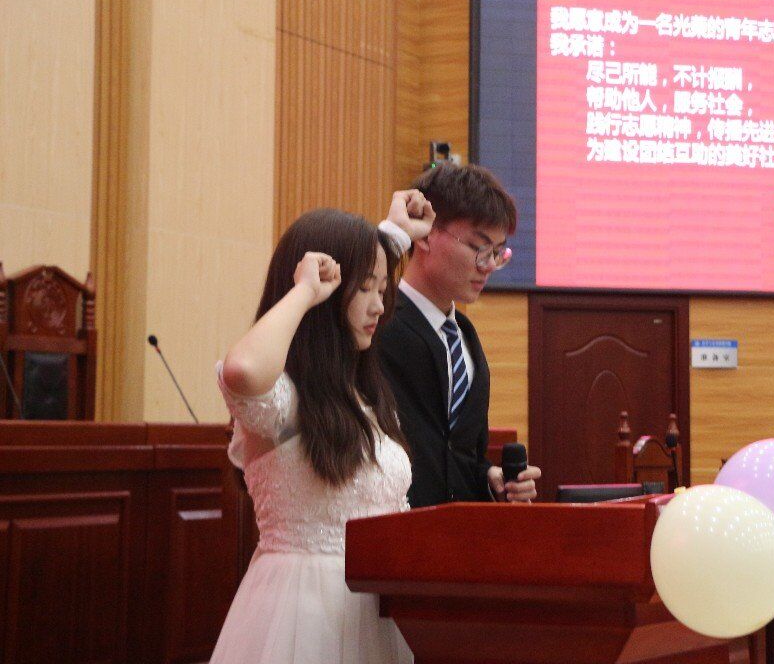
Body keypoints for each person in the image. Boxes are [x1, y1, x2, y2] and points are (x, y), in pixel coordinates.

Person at [210, 191, 433, 664]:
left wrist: (391, 237)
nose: (379, 306)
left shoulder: (364, 397)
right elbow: (242, 370)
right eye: (365, 289)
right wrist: (304, 293)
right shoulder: (285, 401)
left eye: (382, 289)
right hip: (300, 615)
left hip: (375, 611)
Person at [377, 163, 541, 508]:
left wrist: (489, 479)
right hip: (391, 525)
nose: (488, 265)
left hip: (459, 531)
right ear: (424, 235)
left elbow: (459, 453)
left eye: (497, 252)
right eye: (479, 247)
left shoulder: (465, 336)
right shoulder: (376, 321)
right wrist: (392, 235)